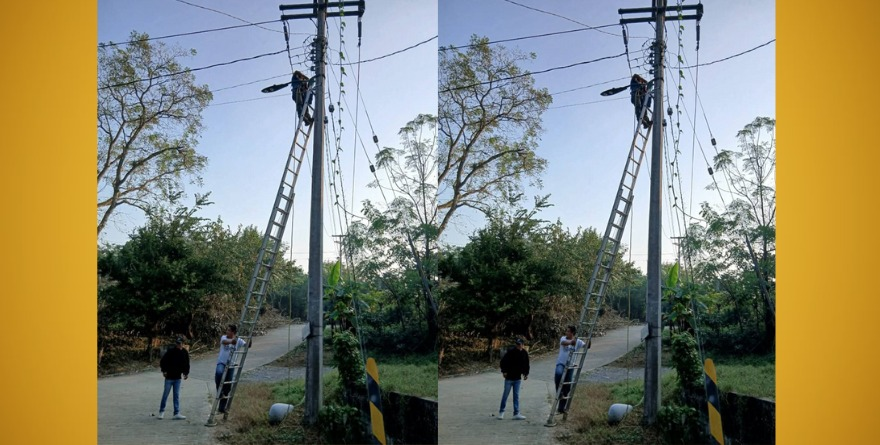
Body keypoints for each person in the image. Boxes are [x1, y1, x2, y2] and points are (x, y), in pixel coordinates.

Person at [215, 324, 249, 414]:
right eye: (227, 330)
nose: (227, 332)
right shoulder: (223, 337)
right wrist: (232, 341)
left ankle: (222, 408)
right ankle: (219, 391)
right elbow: (225, 342)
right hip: (222, 362)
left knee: (228, 386)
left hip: (231, 365)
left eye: (229, 330)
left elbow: (247, 346)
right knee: (218, 373)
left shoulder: (239, 340)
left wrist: (250, 338)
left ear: (233, 332)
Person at [554, 325, 586, 414]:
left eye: (568, 331)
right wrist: (571, 342)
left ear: (572, 333)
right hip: (561, 363)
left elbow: (587, 346)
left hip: (570, 366)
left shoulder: (578, 341)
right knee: (558, 374)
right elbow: (564, 343)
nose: (566, 332)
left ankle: (561, 408)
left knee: (567, 387)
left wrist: (589, 340)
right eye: (566, 331)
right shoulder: (563, 338)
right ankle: (558, 392)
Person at [158, 337, 190, 420]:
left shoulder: (184, 352)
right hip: (169, 377)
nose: (178, 345)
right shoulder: (171, 351)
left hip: (177, 378)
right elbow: (163, 361)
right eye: (177, 343)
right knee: (165, 394)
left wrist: (186, 373)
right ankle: (161, 411)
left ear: (183, 343)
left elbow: (186, 363)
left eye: (180, 343)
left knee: (176, 396)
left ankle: (176, 413)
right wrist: (164, 371)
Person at [498, 338, 530, 420]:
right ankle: (501, 412)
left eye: (519, 344)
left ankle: (516, 413)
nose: (518, 346)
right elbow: (503, 362)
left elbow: (526, 364)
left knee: (516, 396)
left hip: (517, 379)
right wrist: (504, 371)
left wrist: (525, 373)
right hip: (509, 378)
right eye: (517, 344)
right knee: (505, 395)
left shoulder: (524, 353)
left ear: (523, 345)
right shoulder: (511, 352)